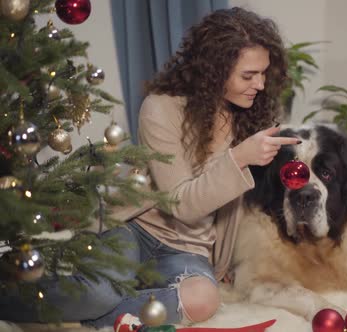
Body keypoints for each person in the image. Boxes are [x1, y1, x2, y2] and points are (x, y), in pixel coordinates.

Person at [0, 7, 299, 328]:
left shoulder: (250, 115)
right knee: (98, 293)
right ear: (215, 69)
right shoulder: (160, 108)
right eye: (248, 75)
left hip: (189, 250)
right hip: (135, 229)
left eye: (264, 73)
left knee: (204, 300)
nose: (259, 84)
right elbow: (182, 204)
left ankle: (95, 316)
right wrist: (239, 158)